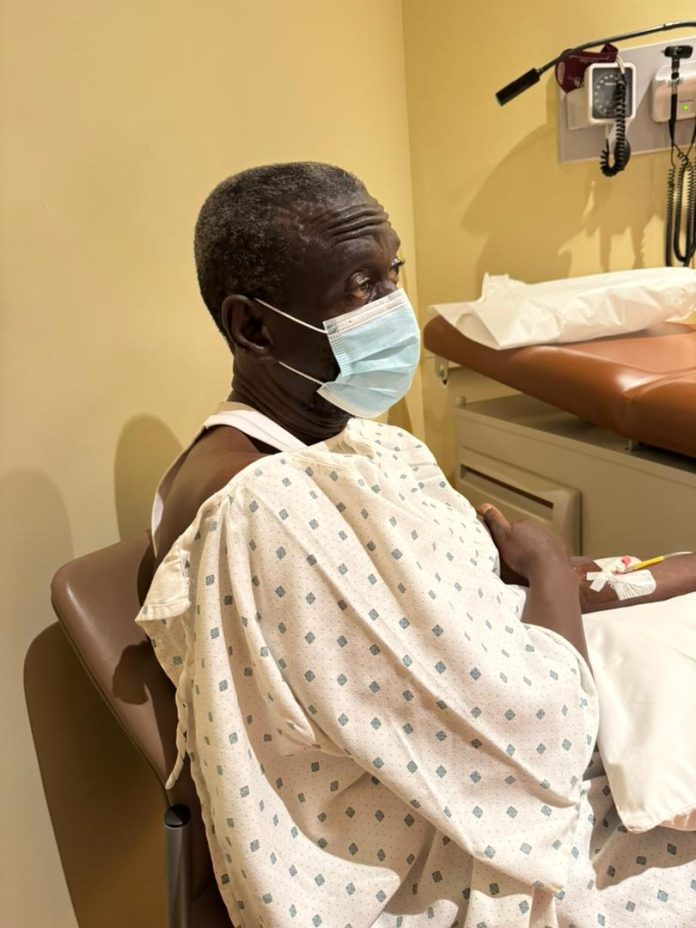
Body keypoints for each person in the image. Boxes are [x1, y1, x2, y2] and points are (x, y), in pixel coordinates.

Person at [138, 163, 696, 928]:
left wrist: (668, 572)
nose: (394, 307)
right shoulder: (268, 512)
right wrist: (547, 570)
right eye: (360, 286)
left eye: (392, 272)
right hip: (437, 866)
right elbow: (544, 744)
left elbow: (489, 585)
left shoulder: (344, 449)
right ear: (254, 328)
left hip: (482, 755)